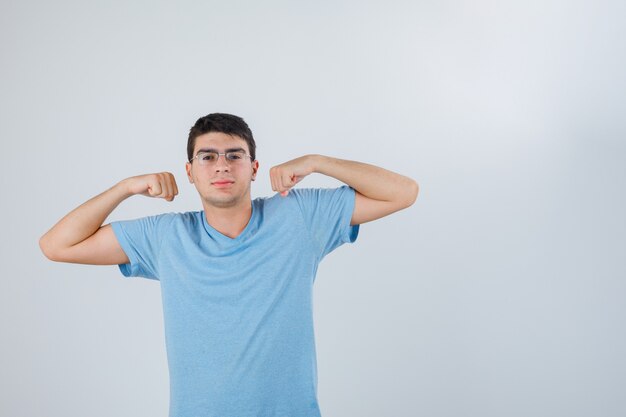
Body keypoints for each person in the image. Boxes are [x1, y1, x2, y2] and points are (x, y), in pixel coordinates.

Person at [39, 113, 419, 417]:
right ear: (189, 172)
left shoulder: (299, 215)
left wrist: (316, 162)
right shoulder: (166, 235)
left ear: (254, 168)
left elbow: (404, 193)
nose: (222, 166)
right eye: (207, 156)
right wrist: (125, 187)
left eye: (234, 155)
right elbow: (57, 245)